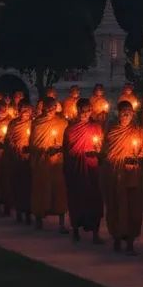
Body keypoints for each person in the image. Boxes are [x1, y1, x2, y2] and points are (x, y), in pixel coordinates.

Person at [100, 100, 143, 254]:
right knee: (116, 204)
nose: (126, 114)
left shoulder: (140, 131)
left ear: (133, 114)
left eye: (129, 111)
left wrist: (137, 158)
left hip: (132, 173)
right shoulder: (112, 131)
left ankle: (130, 241)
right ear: (118, 113)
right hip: (114, 173)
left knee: (132, 206)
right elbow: (106, 151)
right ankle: (117, 237)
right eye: (123, 111)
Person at [63, 98, 104, 244]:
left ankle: (95, 234)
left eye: (87, 111)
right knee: (76, 198)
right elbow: (66, 151)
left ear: (91, 111)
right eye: (82, 110)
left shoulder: (96, 127)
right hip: (76, 169)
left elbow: (100, 146)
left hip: (91, 167)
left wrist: (97, 152)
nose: (84, 114)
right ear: (77, 110)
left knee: (94, 198)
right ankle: (75, 231)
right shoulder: (70, 129)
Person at [30, 94, 68, 232]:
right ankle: (39, 219)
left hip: (57, 162)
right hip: (42, 161)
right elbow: (33, 143)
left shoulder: (62, 122)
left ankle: (61, 223)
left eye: (54, 106)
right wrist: (45, 150)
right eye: (49, 107)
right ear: (44, 107)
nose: (51, 109)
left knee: (59, 190)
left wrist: (59, 148)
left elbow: (66, 142)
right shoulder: (37, 122)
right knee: (41, 188)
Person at [4, 103, 33, 224]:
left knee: (29, 185)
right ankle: (19, 211)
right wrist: (16, 147)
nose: (25, 113)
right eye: (23, 110)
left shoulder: (33, 123)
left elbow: (36, 138)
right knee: (18, 184)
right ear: (19, 111)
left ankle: (28, 212)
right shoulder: (13, 123)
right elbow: (8, 139)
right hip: (16, 158)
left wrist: (30, 147)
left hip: (29, 159)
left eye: (28, 111)